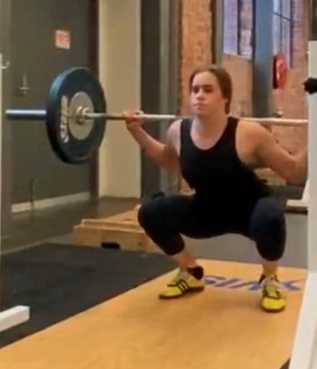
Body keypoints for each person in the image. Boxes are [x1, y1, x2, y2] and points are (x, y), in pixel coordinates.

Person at [123, 65, 307, 312]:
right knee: (151, 212)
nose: (199, 95)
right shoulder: (179, 130)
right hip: (206, 210)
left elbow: (292, 171)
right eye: (195, 90)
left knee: (271, 217)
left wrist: (315, 137)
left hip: (249, 212)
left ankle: (270, 279)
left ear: (225, 97)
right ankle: (191, 272)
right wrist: (137, 131)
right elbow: (168, 160)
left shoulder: (248, 132)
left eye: (208, 90)